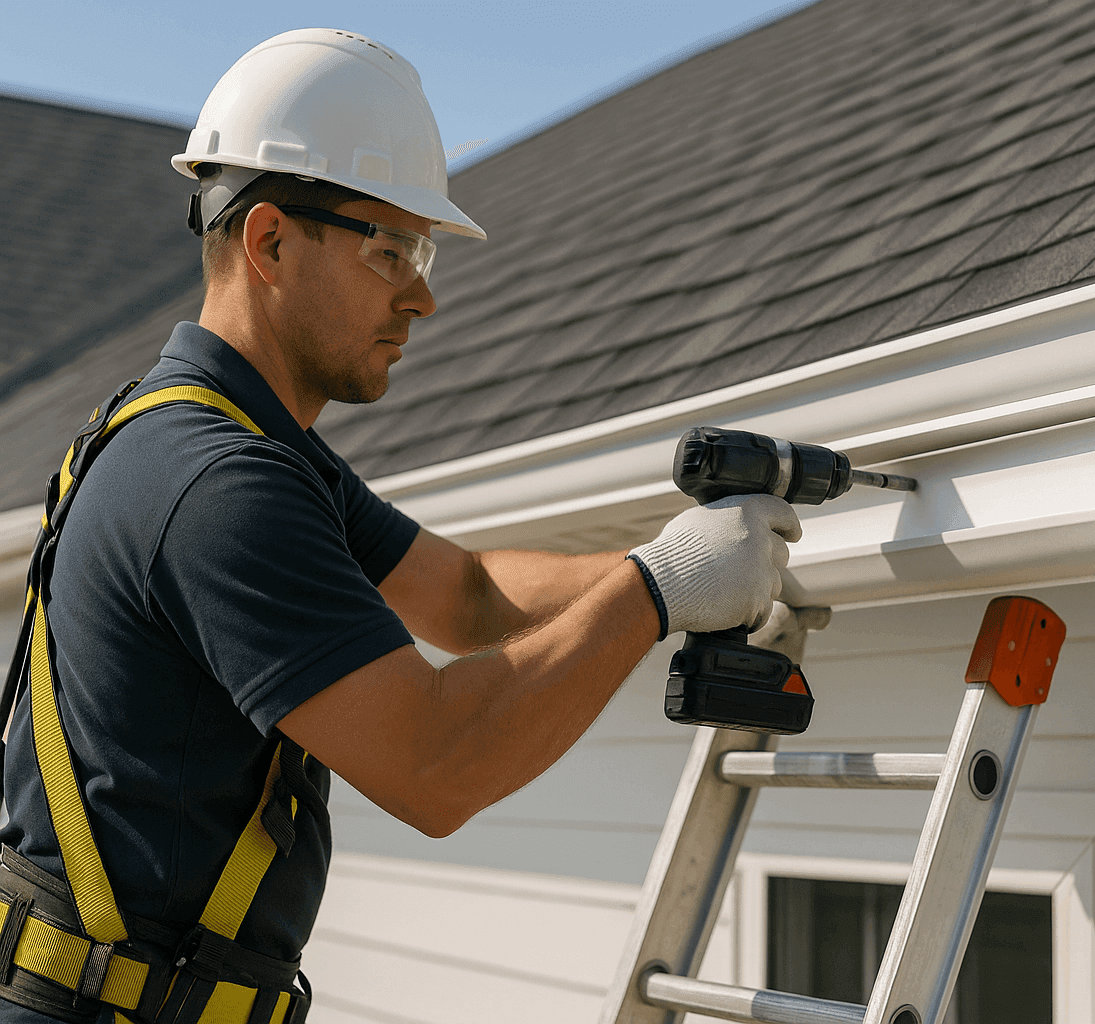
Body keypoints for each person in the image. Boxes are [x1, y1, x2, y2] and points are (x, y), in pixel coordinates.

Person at [0, 29, 799, 1024]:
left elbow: (464, 598)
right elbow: (436, 763)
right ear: (271, 242)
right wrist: (659, 591)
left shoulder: (239, 443)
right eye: (392, 249)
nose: (421, 295)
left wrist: (680, 565)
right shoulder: (214, 483)